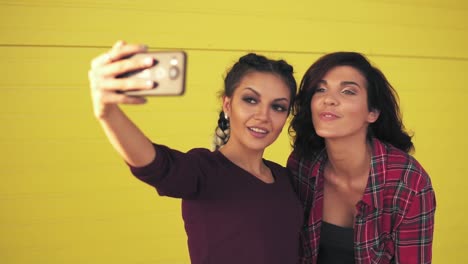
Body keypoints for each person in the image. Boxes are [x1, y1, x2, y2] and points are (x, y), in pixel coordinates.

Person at [88, 41, 303, 264]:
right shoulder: (204, 170)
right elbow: (156, 167)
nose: (263, 116)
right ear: (227, 105)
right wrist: (108, 113)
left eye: (277, 107)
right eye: (250, 100)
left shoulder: (285, 177)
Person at [287, 52, 436, 264]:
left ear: (372, 112)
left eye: (348, 91)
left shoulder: (409, 183)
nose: (328, 99)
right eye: (320, 89)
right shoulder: (302, 165)